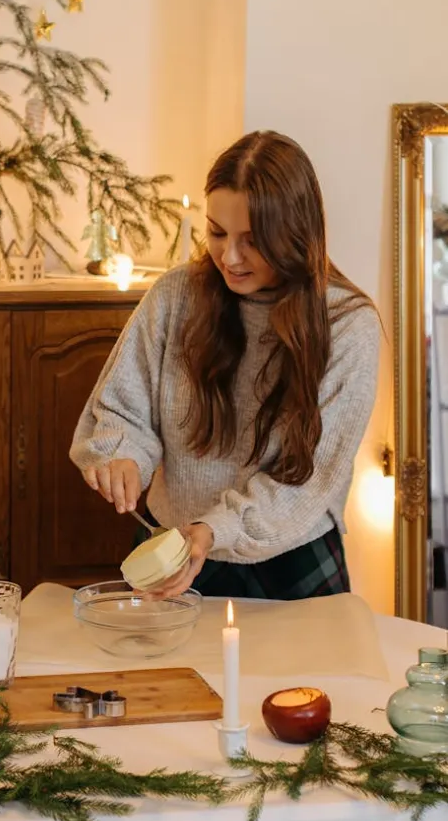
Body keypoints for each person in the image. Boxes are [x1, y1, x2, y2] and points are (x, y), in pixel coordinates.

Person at [70, 130, 380, 600]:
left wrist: (215, 529)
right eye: (216, 233)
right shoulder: (175, 297)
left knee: (306, 679)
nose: (229, 258)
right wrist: (122, 458)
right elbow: (121, 411)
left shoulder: (347, 325)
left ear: (295, 235)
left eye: (252, 241)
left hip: (292, 557)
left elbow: (310, 479)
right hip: (172, 548)